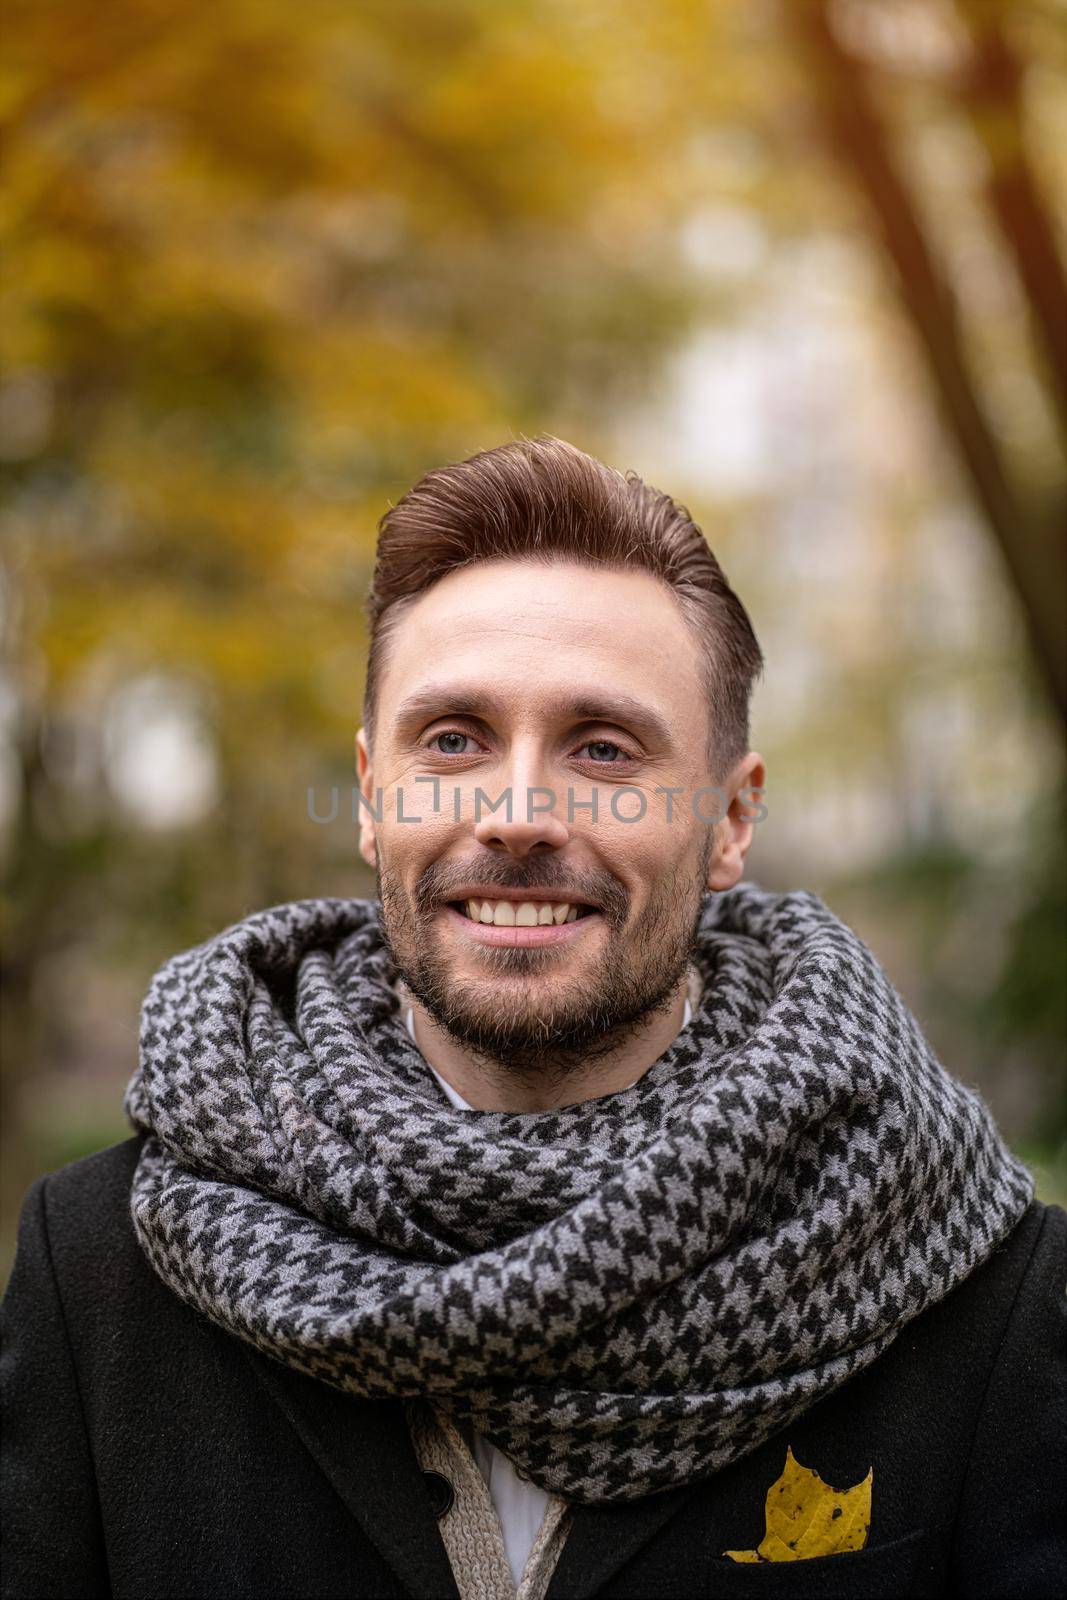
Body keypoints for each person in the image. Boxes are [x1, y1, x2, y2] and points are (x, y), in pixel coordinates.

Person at [2, 436, 1064, 1600]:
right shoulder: (103, 1267)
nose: (515, 814)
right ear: (372, 796)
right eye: (452, 739)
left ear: (728, 819)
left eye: (603, 748)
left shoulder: (971, 1285)